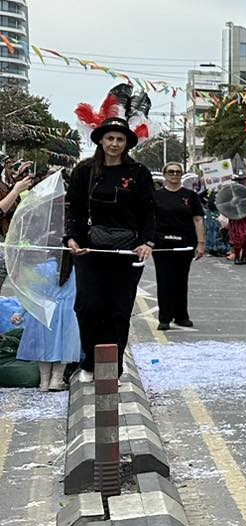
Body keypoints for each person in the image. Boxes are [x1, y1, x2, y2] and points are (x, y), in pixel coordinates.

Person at [63, 116, 155, 374]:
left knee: (118, 308)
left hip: (127, 252)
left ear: (127, 143)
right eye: (110, 138)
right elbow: (74, 210)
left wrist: (147, 242)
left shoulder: (138, 173)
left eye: (120, 139)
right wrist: (72, 238)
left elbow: (149, 211)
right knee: (88, 305)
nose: (114, 143)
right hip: (89, 249)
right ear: (101, 140)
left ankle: (112, 364)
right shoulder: (84, 171)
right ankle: (92, 357)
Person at [150, 162, 206, 329]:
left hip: (185, 244)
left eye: (178, 172)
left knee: (181, 280)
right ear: (164, 174)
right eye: (171, 172)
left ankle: (181, 316)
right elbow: (149, 220)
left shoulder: (190, 196)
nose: (174, 175)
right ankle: (164, 318)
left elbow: (198, 219)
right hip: (162, 245)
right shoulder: (156, 196)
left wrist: (201, 243)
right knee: (164, 280)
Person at [19, 249, 79, 391]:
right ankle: (57, 380)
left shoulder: (41, 269)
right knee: (63, 346)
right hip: (67, 313)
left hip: (45, 311)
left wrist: (20, 313)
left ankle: (44, 382)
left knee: (44, 347)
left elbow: (32, 294)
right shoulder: (77, 271)